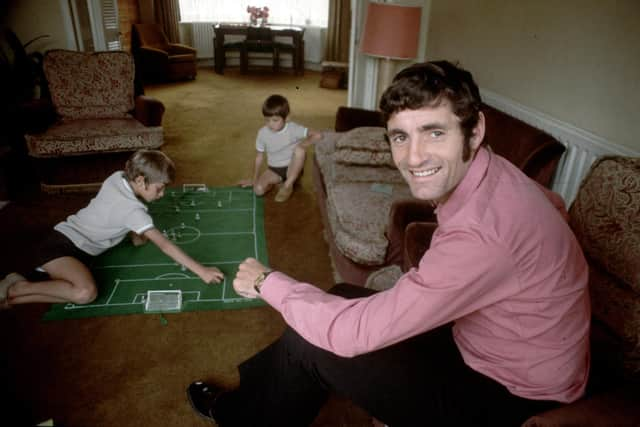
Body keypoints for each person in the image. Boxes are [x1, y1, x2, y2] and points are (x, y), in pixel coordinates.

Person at [187, 61, 591, 426]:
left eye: (434, 132)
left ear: (475, 130)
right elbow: (554, 208)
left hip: (508, 395)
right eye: (400, 136)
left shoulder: (484, 234)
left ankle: (238, 416)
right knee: (341, 296)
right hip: (495, 348)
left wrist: (265, 282)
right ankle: (262, 396)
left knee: (316, 340)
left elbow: (349, 335)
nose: (413, 157)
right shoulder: (500, 173)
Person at [0, 150, 223, 309]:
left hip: (66, 239)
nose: (162, 194)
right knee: (85, 293)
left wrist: (137, 233)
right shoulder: (132, 210)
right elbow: (164, 244)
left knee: (78, 289)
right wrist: (201, 271)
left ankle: (14, 295)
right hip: (61, 249)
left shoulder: (118, 177)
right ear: (141, 180)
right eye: (160, 188)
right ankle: (19, 288)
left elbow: (127, 226)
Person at [238, 94, 322, 202]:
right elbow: (259, 158)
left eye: (275, 120)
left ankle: (288, 185)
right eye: (267, 120)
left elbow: (318, 135)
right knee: (258, 190)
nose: (270, 124)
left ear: (286, 118)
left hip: (293, 166)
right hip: (275, 169)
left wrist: (302, 145)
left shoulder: (293, 128)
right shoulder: (262, 133)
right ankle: (276, 182)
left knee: (299, 150)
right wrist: (254, 179)